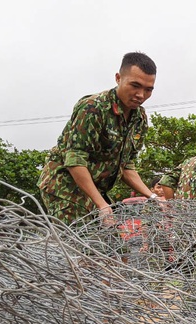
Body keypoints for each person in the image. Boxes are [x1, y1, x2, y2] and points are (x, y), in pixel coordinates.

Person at [38, 52, 158, 224]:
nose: (141, 95)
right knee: (83, 245)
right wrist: (102, 205)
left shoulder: (139, 118)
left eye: (148, 89)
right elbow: (74, 159)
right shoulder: (93, 108)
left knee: (112, 245)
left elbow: (126, 166)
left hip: (94, 189)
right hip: (65, 186)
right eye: (135, 85)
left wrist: (152, 196)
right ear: (118, 78)